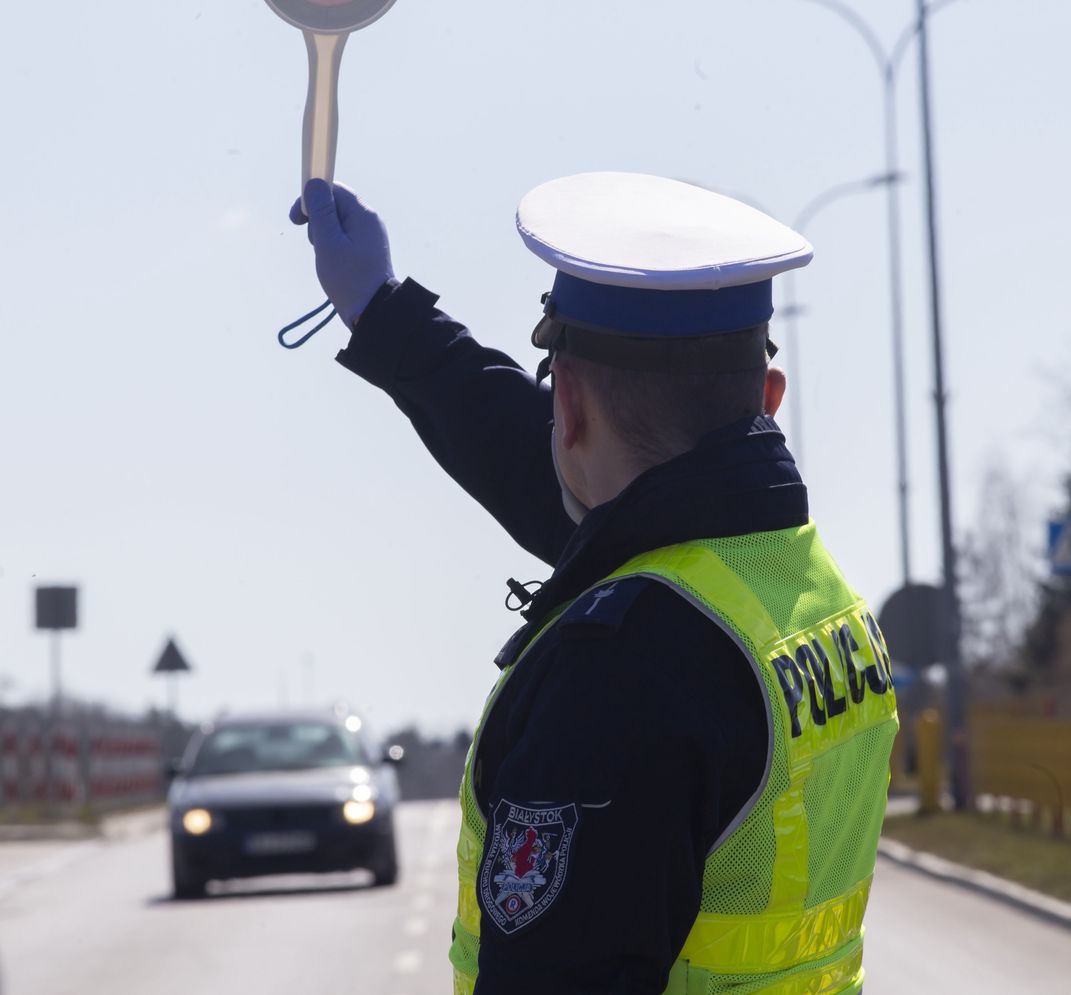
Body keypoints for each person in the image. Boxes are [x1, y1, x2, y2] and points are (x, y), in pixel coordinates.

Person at [290, 171, 899, 994]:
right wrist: (382, 311)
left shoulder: (622, 671)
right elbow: (578, 484)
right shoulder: (793, 583)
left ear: (568, 409)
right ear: (769, 398)